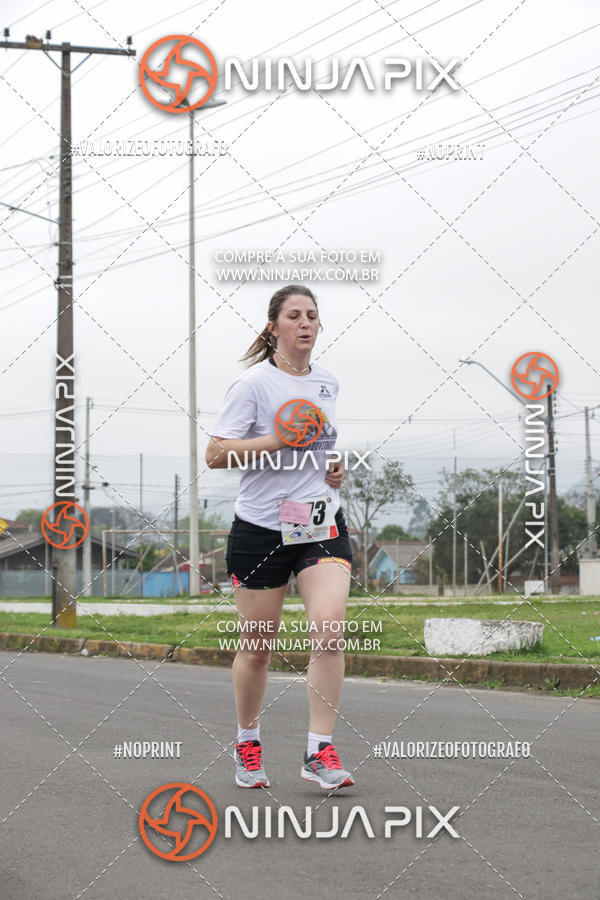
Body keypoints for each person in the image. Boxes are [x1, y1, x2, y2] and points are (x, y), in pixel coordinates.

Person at [206, 284, 355, 791]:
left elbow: (324, 446)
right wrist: (276, 440)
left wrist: (334, 469)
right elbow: (216, 455)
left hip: (318, 522)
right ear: (274, 327)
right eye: (294, 315)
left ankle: (319, 750)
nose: (306, 323)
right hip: (261, 528)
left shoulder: (329, 382)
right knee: (257, 647)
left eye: (312, 315)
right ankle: (247, 742)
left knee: (330, 627)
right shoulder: (253, 385)